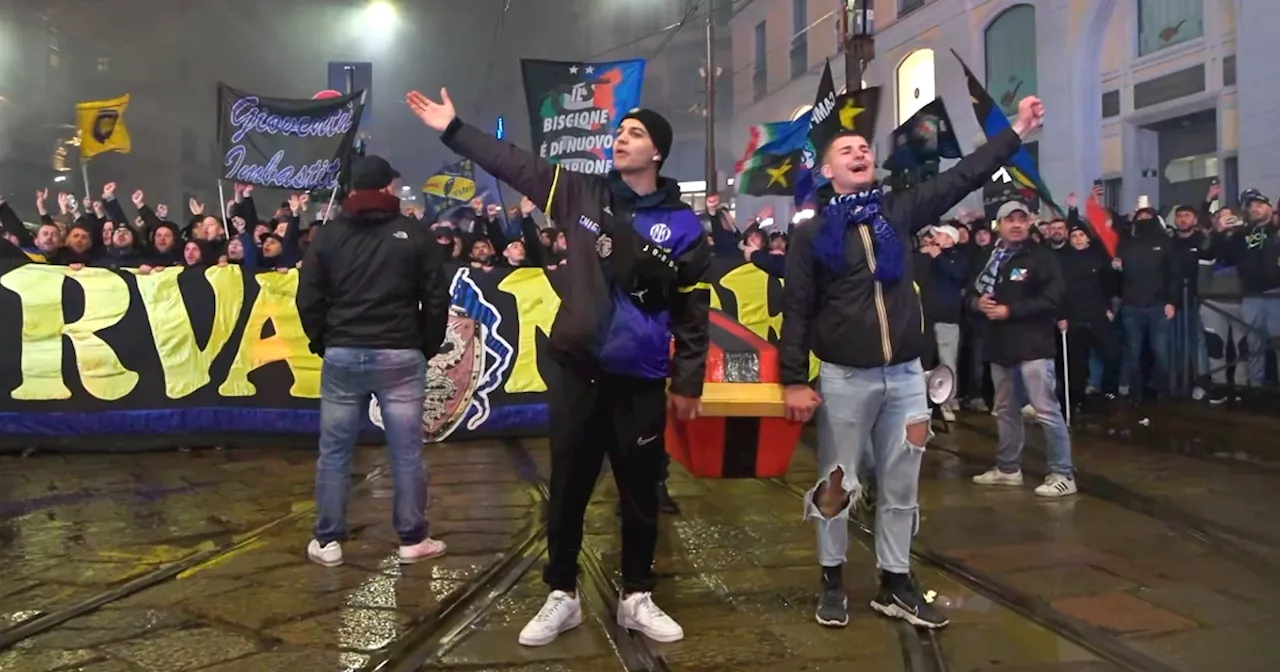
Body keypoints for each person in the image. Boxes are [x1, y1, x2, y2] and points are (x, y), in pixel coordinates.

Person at [406, 89, 710, 646]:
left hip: (640, 377)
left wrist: (688, 380)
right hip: (578, 369)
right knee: (568, 486)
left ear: (659, 153)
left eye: (635, 133)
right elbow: (515, 163)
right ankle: (561, 593)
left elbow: (692, 309)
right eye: (619, 131)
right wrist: (455, 130)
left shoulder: (685, 225)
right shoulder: (582, 192)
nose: (621, 139)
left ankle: (637, 595)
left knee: (640, 491)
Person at [780, 95, 1046, 630]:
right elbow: (797, 308)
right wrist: (792, 380)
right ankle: (832, 578)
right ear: (828, 170)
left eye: (863, 148)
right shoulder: (811, 233)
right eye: (846, 149)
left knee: (901, 487)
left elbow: (966, 175)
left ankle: (894, 582)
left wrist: (1016, 130)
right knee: (837, 483)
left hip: (905, 377)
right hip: (843, 378)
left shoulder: (898, 210)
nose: (859, 152)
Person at [295, 155, 453, 568]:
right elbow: (437, 296)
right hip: (400, 352)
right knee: (406, 453)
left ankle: (327, 540)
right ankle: (412, 538)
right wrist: (427, 344)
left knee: (334, 452)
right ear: (386, 189)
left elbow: (307, 295)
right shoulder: (413, 234)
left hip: (343, 352)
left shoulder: (328, 237)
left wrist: (322, 341)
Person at [969, 200, 1075, 497]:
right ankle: (1008, 468)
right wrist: (977, 303)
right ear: (998, 225)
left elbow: (1053, 298)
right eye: (1009, 220)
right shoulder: (988, 259)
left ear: (1029, 223)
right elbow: (968, 292)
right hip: (999, 346)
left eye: (1021, 219)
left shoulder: (1041, 258)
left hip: (1033, 347)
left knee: (1045, 410)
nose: (1016, 225)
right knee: (1005, 410)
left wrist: (1010, 310)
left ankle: (1063, 472)